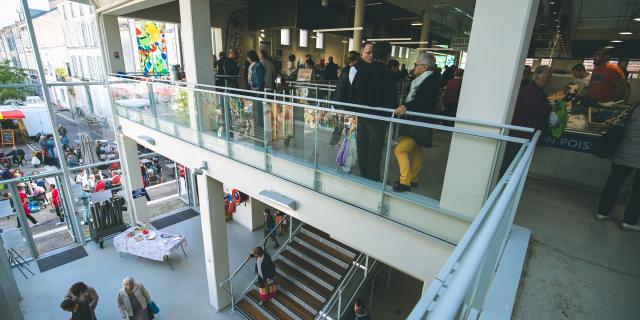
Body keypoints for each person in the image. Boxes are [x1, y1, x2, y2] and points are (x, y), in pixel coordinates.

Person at [393, 53, 441, 192]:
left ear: (425, 67)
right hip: (419, 121)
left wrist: (406, 106)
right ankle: (413, 179)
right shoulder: (428, 79)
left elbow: (423, 101)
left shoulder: (429, 81)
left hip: (420, 122)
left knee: (400, 149)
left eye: (416, 64)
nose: (414, 67)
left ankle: (405, 182)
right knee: (416, 150)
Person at [349, 41, 396, 181]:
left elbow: (353, 95)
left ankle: (363, 174)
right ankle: (373, 178)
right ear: (387, 55)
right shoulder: (389, 75)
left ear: (374, 54)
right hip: (379, 120)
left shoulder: (361, 71)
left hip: (362, 117)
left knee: (362, 147)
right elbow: (392, 101)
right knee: (375, 150)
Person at [596, 107, 640, 231]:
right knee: (638, 191)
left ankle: (602, 212)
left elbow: (621, 123)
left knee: (613, 183)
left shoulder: (636, 108)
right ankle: (629, 221)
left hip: (623, 152)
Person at [503, 66, 554, 171]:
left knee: (516, 162)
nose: (549, 80)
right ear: (537, 77)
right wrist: (550, 107)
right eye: (547, 77)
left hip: (526, 133)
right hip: (521, 133)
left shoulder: (536, 90)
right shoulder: (530, 90)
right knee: (512, 162)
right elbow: (533, 108)